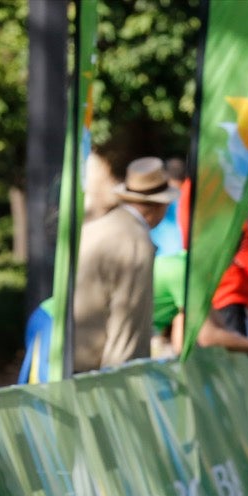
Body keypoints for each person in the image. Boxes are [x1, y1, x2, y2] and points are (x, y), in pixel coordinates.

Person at [72, 157, 178, 373]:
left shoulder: (95, 227)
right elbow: (127, 326)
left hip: (69, 356)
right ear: (159, 205)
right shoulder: (136, 242)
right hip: (98, 370)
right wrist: (121, 382)